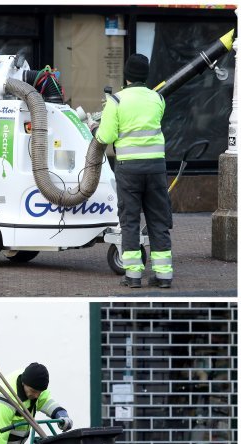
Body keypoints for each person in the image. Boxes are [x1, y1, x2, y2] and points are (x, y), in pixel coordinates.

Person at [94, 53, 173, 289]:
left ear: (126, 76)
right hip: (157, 168)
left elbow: (106, 137)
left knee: (129, 221)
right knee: (158, 220)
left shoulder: (116, 101)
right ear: (145, 75)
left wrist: (97, 130)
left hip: (129, 169)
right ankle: (164, 275)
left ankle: (134, 275)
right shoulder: (158, 98)